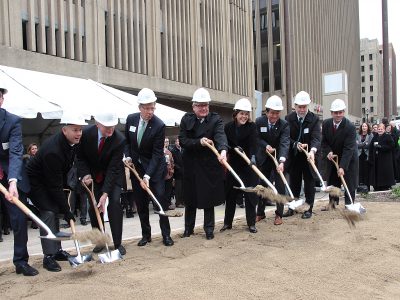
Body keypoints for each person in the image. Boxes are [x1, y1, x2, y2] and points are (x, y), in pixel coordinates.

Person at [27, 111, 87, 272]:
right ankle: (48, 256)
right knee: (49, 211)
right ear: (64, 130)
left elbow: (71, 167)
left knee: (56, 209)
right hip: (36, 182)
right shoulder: (53, 150)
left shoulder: (73, 143)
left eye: (80, 129)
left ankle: (57, 250)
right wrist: (67, 211)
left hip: (51, 179)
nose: (79, 133)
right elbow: (54, 186)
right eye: (75, 130)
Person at [124, 88, 174, 247]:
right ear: (140, 107)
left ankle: (166, 235)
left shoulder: (159, 125)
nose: (150, 111)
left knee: (160, 201)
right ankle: (146, 235)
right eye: (147, 108)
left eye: (153, 108)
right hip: (136, 168)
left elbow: (157, 154)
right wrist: (127, 156)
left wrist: (148, 176)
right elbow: (126, 141)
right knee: (141, 203)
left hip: (155, 170)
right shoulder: (131, 119)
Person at [179, 87, 228, 240]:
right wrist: (199, 142)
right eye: (200, 105)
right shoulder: (186, 119)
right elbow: (183, 140)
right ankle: (188, 229)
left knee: (208, 199)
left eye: (205, 104)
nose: (203, 108)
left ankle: (209, 229)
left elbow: (220, 136)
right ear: (193, 106)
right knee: (190, 199)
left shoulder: (216, 119)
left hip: (208, 167)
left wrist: (223, 151)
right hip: (191, 166)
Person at [0, 84, 38, 275]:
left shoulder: (12, 122)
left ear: (1, 99)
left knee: (18, 220)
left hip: (9, 177)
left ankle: (21, 261)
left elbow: (15, 152)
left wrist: (13, 180)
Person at [77, 112, 126, 255]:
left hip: (113, 176)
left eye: (113, 126)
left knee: (115, 203)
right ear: (97, 124)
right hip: (92, 176)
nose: (110, 130)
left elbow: (112, 169)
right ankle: (100, 241)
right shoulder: (85, 134)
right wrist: (85, 174)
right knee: (94, 207)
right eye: (106, 127)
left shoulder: (119, 140)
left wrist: (105, 194)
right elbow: (80, 158)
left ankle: (117, 244)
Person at [220, 98, 258, 233]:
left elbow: (254, 143)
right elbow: (225, 143)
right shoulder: (228, 127)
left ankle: (251, 223)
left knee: (250, 195)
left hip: (248, 166)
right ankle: (227, 223)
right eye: (242, 113)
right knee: (230, 195)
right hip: (233, 166)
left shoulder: (252, 127)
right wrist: (232, 148)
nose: (244, 116)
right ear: (236, 113)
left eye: (247, 114)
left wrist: (252, 156)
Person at [283, 91, 321, 219]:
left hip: (309, 156)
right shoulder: (288, 119)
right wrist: (295, 144)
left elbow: (316, 138)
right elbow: (286, 138)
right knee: (294, 182)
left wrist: (312, 150)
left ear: (308, 106)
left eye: (304, 107)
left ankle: (308, 208)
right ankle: (292, 207)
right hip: (294, 156)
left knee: (309, 183)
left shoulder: (314, 119)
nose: (302, 109)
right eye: (299, 107)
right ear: (295, 106)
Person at [255, 95, 290, 225]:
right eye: (272, 113)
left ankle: (279, 214)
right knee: (262, 186)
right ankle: (260, 213)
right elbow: (256, 138)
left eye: (277, 113)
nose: (274, 116)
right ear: (267, 111)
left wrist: (281, 161)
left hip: (278, 158)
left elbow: (284, 142)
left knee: (280, 186)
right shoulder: (259, 122)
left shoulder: (284, 125)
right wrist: (266, 146)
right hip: (263, 158)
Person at [321, 99, 358, 209]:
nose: (338, 115)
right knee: (332, 181)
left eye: (340, 112)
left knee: (349, 182)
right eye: (335, 113)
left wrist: (342, 167)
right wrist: (328, 151)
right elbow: (324, 142)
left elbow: (348, 149)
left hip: (348, 158)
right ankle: (332, 203)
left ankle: (349, 204)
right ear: (331, 112)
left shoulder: (350, 127)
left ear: (344, 112)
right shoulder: (326, 123)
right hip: (333, 158)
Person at [369, 123, 395, 191]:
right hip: (377, 159)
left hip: (385, 159)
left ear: (384, 129)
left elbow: (392, 146)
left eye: (381, 129)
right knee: (377, 173)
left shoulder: (387, 136)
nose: (380, 130)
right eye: (379, 129)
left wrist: (381, 147)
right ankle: (377, 185)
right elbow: (371, 147)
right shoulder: (375, 136)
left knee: (384, 173)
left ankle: (385, 185)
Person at [356, 123, 373, 191]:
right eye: (363, 126)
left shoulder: (370, 135)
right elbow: (356, 145)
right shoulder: (357, 135)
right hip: (359, 155)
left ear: (368, 127)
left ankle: (367, 187)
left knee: (366, 171)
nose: (364, 127)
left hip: (367, 155)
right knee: (359, 171)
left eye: (365, 126)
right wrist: (364, 143)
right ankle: (360, 187)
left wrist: (361, 144)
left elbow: (369, 145)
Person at [170, 137, 184, 208]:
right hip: (177, 173)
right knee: (178, 189)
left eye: (179, 141)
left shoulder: (183, 149)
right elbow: (173, 162)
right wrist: (178, 168)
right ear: (175, 143)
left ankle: (183, 202)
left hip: (184, 172)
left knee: (183, 188)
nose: (179, 143)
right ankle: (178, 203)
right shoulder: (173, 151)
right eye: (177, 141)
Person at [163, 138, 175, 210]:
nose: (165, 143)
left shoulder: (169, 152)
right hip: (161, 175)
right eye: (164, 142)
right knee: (162, 191)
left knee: (168, 191)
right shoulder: (157, 151)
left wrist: (172, 170)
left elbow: (172, 162)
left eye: (167, 142)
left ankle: (167, 204)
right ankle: (162, 205)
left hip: (169, 174)